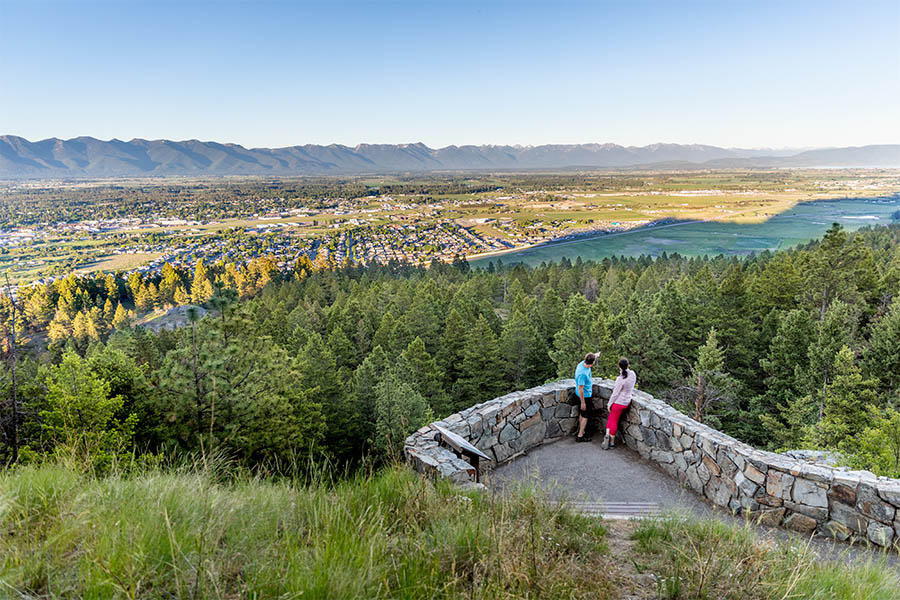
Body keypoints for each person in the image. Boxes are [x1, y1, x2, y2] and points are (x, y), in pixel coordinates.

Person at [602, 357, 636, 450]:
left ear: (619, 367)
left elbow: (615, 394)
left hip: (619, 403)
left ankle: (611, 441)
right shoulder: (632, 374)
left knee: (612, 421)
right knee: (612, 420)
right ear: (628, 365)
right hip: (627, 401)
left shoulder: (620, 379)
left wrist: (609, 404)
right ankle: (609, 437)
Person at [574, 352, 596, 442]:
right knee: (585, 416)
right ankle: (580, 436)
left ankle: (581, 431)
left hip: (581, 395)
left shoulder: (581, 364)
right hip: (585, 396)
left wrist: (596, 355)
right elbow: (580, 388)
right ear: (592, 363)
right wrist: (583, 402)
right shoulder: (582, 374)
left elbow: (590, 357)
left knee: (582, 414)